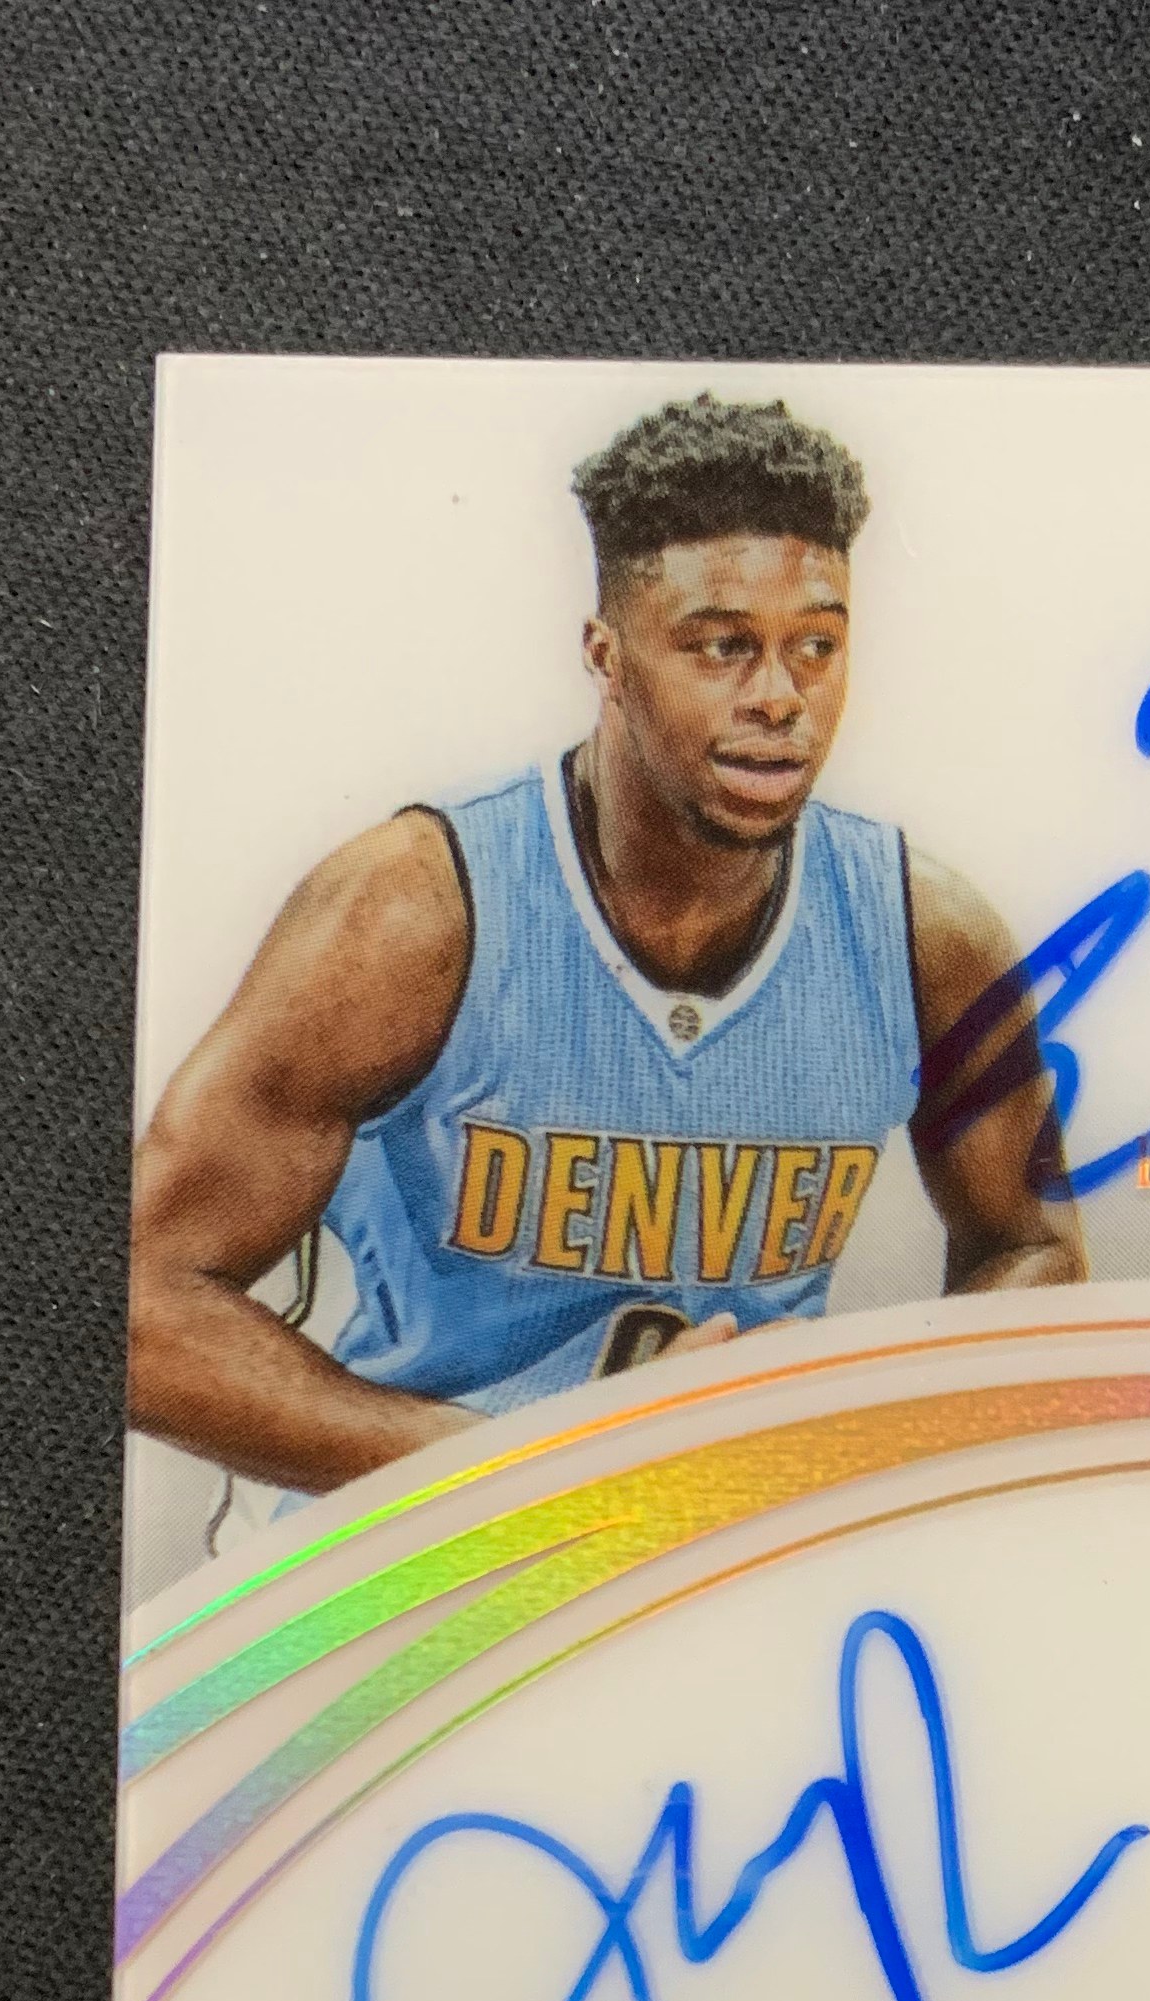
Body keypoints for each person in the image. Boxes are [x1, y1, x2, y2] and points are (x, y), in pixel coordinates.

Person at [127, 391, 1081, 1498]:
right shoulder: (413, 912)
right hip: (411, 1542)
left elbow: (1035, 1250)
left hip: (701, 1547)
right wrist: (548, 1475)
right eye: (722, 647)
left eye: (816, 646)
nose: (780, 698)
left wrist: (844, 1429)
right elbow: (143, 1308)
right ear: (607, 655)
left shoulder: (926, 936)